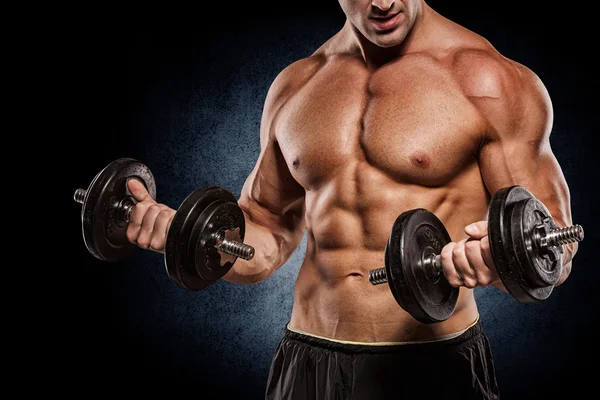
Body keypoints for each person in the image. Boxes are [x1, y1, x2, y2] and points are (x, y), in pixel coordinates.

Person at [124, 1, 579, 398]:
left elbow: (554, 243)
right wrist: (186, 235)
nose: (382, 2)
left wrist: (496, 260)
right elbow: (264, 232)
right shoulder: (296, 85)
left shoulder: (488, 80)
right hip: (308, 359)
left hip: (431, 363)